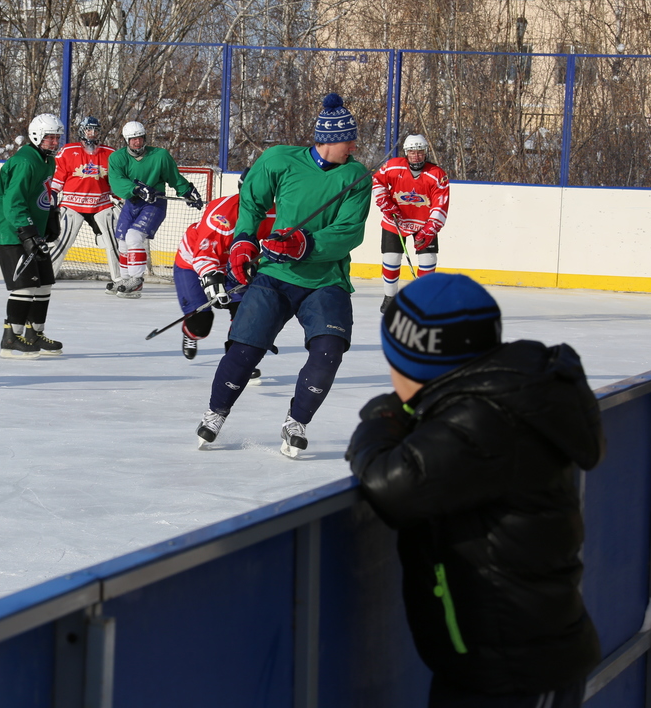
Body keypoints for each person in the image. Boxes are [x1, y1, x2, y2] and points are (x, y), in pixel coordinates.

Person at [346, 273, 605, 708]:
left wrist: (381, 418)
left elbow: (390, 483)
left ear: (417, 364)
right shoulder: (503, 399)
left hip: (513, 671)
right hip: (503, 657)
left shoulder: (483, 420)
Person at [194, 93, 371, 458]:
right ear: (327, 139)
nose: (353, 146)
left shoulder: (355, 175)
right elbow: (252, 202)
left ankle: (297, 422)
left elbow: (349, 232)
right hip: (274, 275)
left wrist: (303, 243)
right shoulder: (278, 159)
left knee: (329, 351)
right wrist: (244, 240)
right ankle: (216, 412)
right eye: (348, 139)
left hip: (325, 280)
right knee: (244, 348)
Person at [172, 170, 275, 381]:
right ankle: (190, 333)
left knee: (245, 316)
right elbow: (204, 255)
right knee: (201, 324)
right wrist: (213, 282)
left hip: (235, 265)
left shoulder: (276, 213)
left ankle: (238, 361)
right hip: (193, 264)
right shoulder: (223, 215)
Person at [0, 113, 65, 359]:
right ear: (36, 136)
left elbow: (42, 195)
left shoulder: (47, 161)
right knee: (25, 287)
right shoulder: (24, 162)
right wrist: (27, 232)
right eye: (49, 138)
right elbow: (13, 202)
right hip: (12, 233)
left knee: (43, 285)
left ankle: (33, 334)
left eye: (56, 138)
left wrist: (51, 216)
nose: (54, 142)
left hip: (33, 231)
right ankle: (10, 338)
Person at [105, 121, 204, 298]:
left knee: (133, 237)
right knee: (121, 238)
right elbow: (116, 181)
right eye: (133, 139)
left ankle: (136, 280)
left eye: (140, 138)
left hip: (154, 203)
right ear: (127, 140)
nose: (137, 142)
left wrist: (187, 192)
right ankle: (125, 279)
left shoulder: (160, 156)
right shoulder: (117, 158)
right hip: (132, 202)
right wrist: (136, 189)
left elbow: (174, 177)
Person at [372, 134, 450, 314]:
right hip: (395, 221)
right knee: (391, 259)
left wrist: (431, 228)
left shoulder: (437, 174)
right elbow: (378, 181)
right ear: (406, 153)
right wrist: (385, 201)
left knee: (428, 260)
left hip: (424, 223)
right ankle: (389, 297)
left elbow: (441, 203)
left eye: (420, 152)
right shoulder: (393, 166)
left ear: (425, 152)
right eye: (412, 152)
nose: (416, 156)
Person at [48, 116, 121, 289]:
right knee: (62, 242)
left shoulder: (110, 153)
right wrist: (51, 194)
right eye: (89, 129)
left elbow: (115, 182)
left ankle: (120, 279)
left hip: (101, 204)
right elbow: (58, 178)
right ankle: (46, 275)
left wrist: (123, 197)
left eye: (95, 130)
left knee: (114, 242)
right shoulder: (68, 151)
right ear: (82, 131)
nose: (92, 133)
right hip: (74, 205)